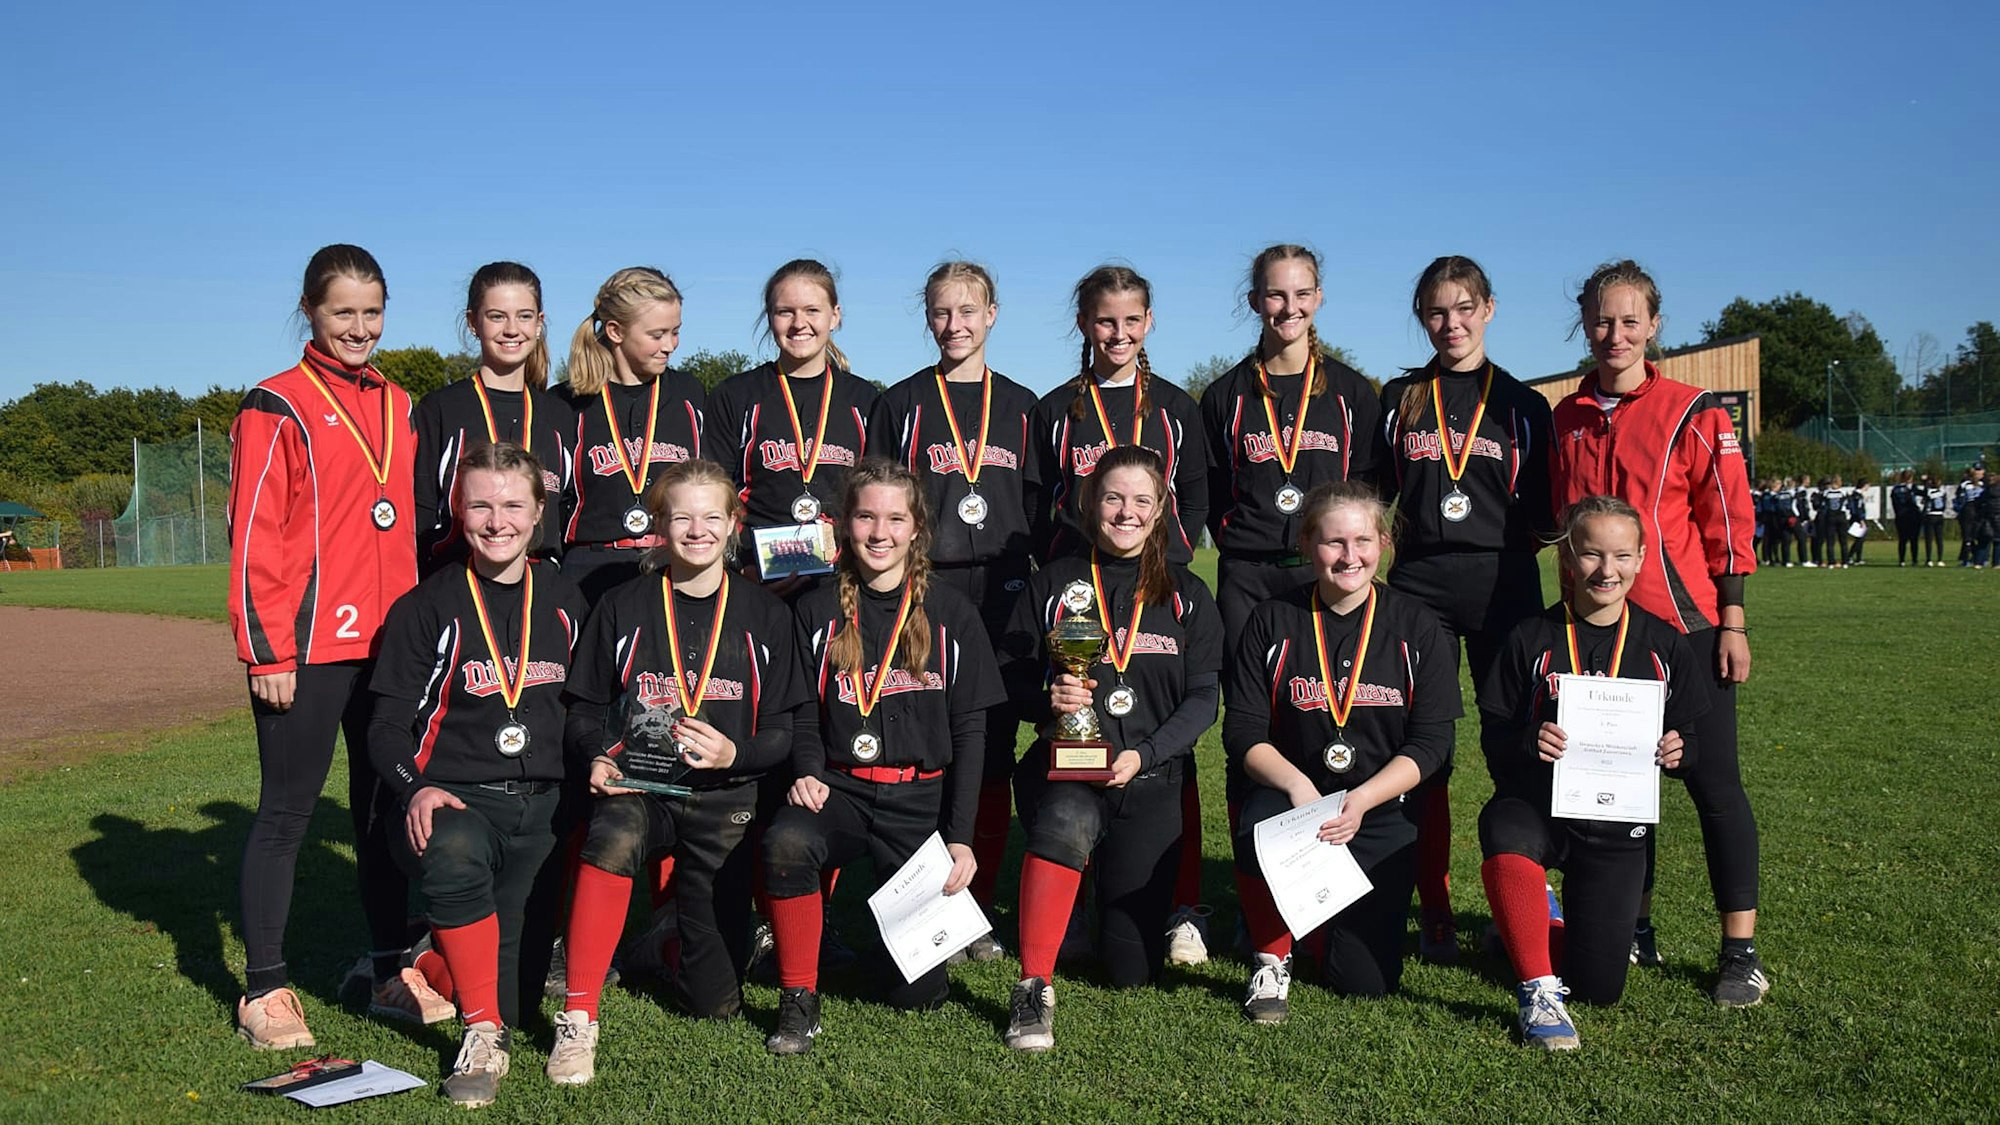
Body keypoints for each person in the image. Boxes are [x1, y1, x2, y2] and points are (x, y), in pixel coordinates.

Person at [544, 459, 806, 1085]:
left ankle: (663, 943)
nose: (696, 530)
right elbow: (582, 707)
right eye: (681, 516)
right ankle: (579, 1018)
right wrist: (599, 756)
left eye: (711, 517)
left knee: (716, 1003)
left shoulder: (766, 614)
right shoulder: (621, 603)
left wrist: (733, 754)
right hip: (645, 787)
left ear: (734, 524)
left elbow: (786, 733)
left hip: (724, 797)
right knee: (612, 835)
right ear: (658, 523)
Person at [1550, 259, 1767, 1007]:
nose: (1615, 334)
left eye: (1630, 320)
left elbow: (1727, 520)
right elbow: (1561, 529)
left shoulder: (1695, 408)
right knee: (1619, 789)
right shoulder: (1567, 414)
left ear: (1655, 325)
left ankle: (1739, 950)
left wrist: (1731, 621)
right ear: (1585, 322)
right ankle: (1632, 927)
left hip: (1684, 630)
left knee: (1713, 788)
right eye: (1603, 320)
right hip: (1599, 639)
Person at [228, 245, 425, 1048]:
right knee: (286, 813)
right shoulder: (274, 403)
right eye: (343, 312)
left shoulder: (401, 402)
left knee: (383, 812)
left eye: (371, 312)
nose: (359, 328)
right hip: (307, 648)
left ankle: (386, 968)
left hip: (391, 646)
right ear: (310, 310)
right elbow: (254, 538)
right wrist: (267, 650)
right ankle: (263, 988)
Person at [368, 442, 588, 1106]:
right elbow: (384, 729)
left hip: (540, 811)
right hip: (456, 801)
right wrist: (414, 784)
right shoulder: (427, 605)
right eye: (481, 505)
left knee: (520, 997)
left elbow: (588, 710)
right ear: (459, 511)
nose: (498, 521)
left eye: (513, 504)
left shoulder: (566, 600)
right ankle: (479, 1033)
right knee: (458, 854)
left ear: (540, 511)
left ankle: (424, 963)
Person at [761, 459, 1004, 1055]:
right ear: (844, 524)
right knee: (789, 842)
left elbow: (973, 732)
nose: (879, 532)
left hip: (917, 801)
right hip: (840, 790)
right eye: (866, 516)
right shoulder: (817, 609)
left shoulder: (951, 613)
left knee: (919, 992)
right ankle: (798, 997)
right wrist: (809, 773)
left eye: (896, 518)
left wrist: (962, 836)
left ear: (917, 529)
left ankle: (880, 940)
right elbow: (802, 713)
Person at [997, 446, 1223, 1050]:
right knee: (1068, 819)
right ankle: (1033, 986)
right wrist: (1049, 694)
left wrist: (1146, 754)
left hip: (1149, 780)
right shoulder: (1054, 583)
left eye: (1141, 501)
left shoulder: (1187, 594)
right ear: (1091, 503)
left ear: (1161, 512)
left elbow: (1203, 698)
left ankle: (1086, 901)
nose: (1126, 513)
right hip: (1068, 770)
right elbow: (1008, 677)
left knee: (1129, 970)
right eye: (1113, 498)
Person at [1370, 256, 1554, 963]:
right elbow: (1374, 495)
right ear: (1423, 317)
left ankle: (1527, 901)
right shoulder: (1400, 399)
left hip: (1506, 586)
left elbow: (1541, 513)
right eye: (1436, 312)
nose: (1451, 324)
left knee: (1514, 743)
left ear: (1489, 308)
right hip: (1418, 592)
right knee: (1428, 750)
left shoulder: (1521, 405)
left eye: (1464, 308)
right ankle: (1437, 908)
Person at [1223, 481, 1461, 1023]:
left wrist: (1361, 800)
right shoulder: (1272, 619)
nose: (1349, 557)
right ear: (1308, 544)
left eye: (1362, 541)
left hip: (1376, 808)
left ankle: (1313, 920)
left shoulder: (1416, 624)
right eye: (1333, 543)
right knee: (1257, 820)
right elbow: (1242, 733)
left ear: (1383, 543)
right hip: (1293, 799)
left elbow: (1431, 743)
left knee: (1365, 982)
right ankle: (1272, 955)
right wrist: (1299, 788)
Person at [1028, 263, 1212, 961]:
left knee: (1163, 734)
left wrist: (1169, 567)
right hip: (1082, 589)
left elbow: (1193, 498)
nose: (1119, 333)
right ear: (1085, 324)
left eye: (1131, 320)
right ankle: (1069, 875)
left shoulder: (1174, 405)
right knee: (1073, 717)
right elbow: (1041, 498)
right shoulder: (1056, 409)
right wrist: (1064, 580)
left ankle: (1181, 902)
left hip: (1155, 584)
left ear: (1149, 323)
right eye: (1106, 320)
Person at [1476, 495, 1706, 1051]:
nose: (1607, 570)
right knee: (1503, 829)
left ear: (1642, 558)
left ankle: (1536, 917)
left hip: (1615, 823)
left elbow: (1693, 741)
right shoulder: (1530, 637)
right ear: (1567, 560)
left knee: (1600, 988)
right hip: (1537, 809)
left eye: (1622, 556)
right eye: (1592, 555)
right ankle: (1536, 988)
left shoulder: (1664, 644)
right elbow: (1495, 738)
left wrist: (1680, 752)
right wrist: (1530, 740)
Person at [865, 261, 1038, 957]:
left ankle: (977, 901)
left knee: (991, 745)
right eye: (941, 312)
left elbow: (1042, 503)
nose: (955, 324)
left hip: (1001, 589)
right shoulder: (901, 402)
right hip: (923, 585)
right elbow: (876, 496)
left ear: (992, 314)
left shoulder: (1026, 405)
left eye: (968, 311)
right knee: (922, 737)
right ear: (927, 318)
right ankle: (916, 894)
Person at [706, 259, 877, 585]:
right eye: (786, 311)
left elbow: (879, 495)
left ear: (835, 316)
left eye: (812, 310)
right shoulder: (735, 395)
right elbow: (715, 494)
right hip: (755, 573)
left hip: (844, 576)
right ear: (770, 318)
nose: (800, 323)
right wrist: (741, 567)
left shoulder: (866, 400)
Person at [414, 262, 575, 578]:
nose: (512, 329)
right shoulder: (442, 409)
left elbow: (566, 514)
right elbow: (420, 516)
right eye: (497, 316)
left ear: (539, 323)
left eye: (524, 316)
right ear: (473, 323)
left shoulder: (559, 414)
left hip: (539, 593)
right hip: (460, 584)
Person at [557, 267, 707, 605]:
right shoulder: (567, 403)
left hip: (671, 563)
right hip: (589, 571)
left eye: (676, 332)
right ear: (615, 331)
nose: (670, 345)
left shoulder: (688, 393)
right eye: (657, 335)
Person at [1813, 476, 1846, 569]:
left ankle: (1831, 561)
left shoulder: (1826, 494)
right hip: (1825, 518)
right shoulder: (1821, 494)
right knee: (1822, 541)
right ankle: (1820, 560)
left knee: (1829, 541)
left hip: (1829, 517)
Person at [1891, 470, 1921, 567]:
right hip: (1912, 516)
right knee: (1914, 540)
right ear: (1910, 478)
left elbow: (1894, 503)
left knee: (1902, 540)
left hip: (1900, 517)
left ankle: (1902, 560)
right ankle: (1914, 560)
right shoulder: (1912, 488)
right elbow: (1924, 493)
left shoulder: (1895, 489)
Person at [1920, 473, 1949, 566]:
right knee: (1939, 539)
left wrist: (1924, 482)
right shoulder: (1942, 491)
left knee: (1929, 539)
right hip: (1940, 515)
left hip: (1930, 516)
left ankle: (1929, 560)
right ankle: (1940, 559)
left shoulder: (1928, 491)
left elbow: (1923, 498)